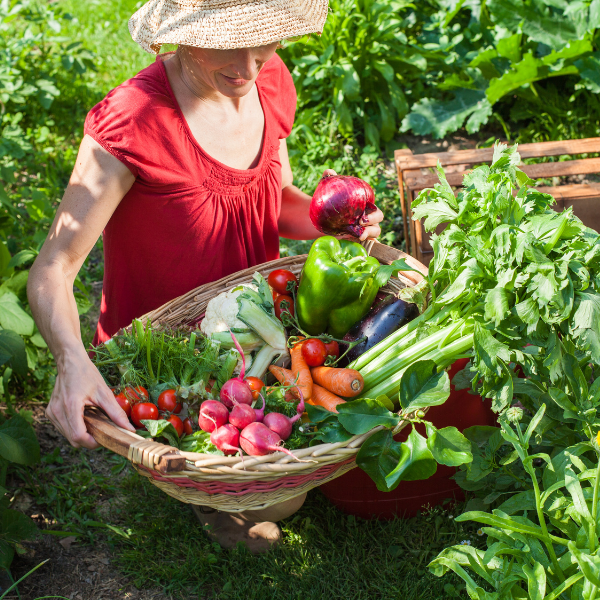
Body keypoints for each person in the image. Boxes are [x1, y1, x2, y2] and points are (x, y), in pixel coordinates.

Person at [27, 0, 384, 553]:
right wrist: (70, 361)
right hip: (170, 349)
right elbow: (54, 267)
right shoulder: (135, 119)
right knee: (281, 498)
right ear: (182, 34)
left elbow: (274, 202)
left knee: (297, 470)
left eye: (262, 40)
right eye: (227, 43)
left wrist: (331, 223)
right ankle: (201, 486)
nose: (248, 64)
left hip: (255, 325)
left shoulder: (269, 81)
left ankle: (221, 475)